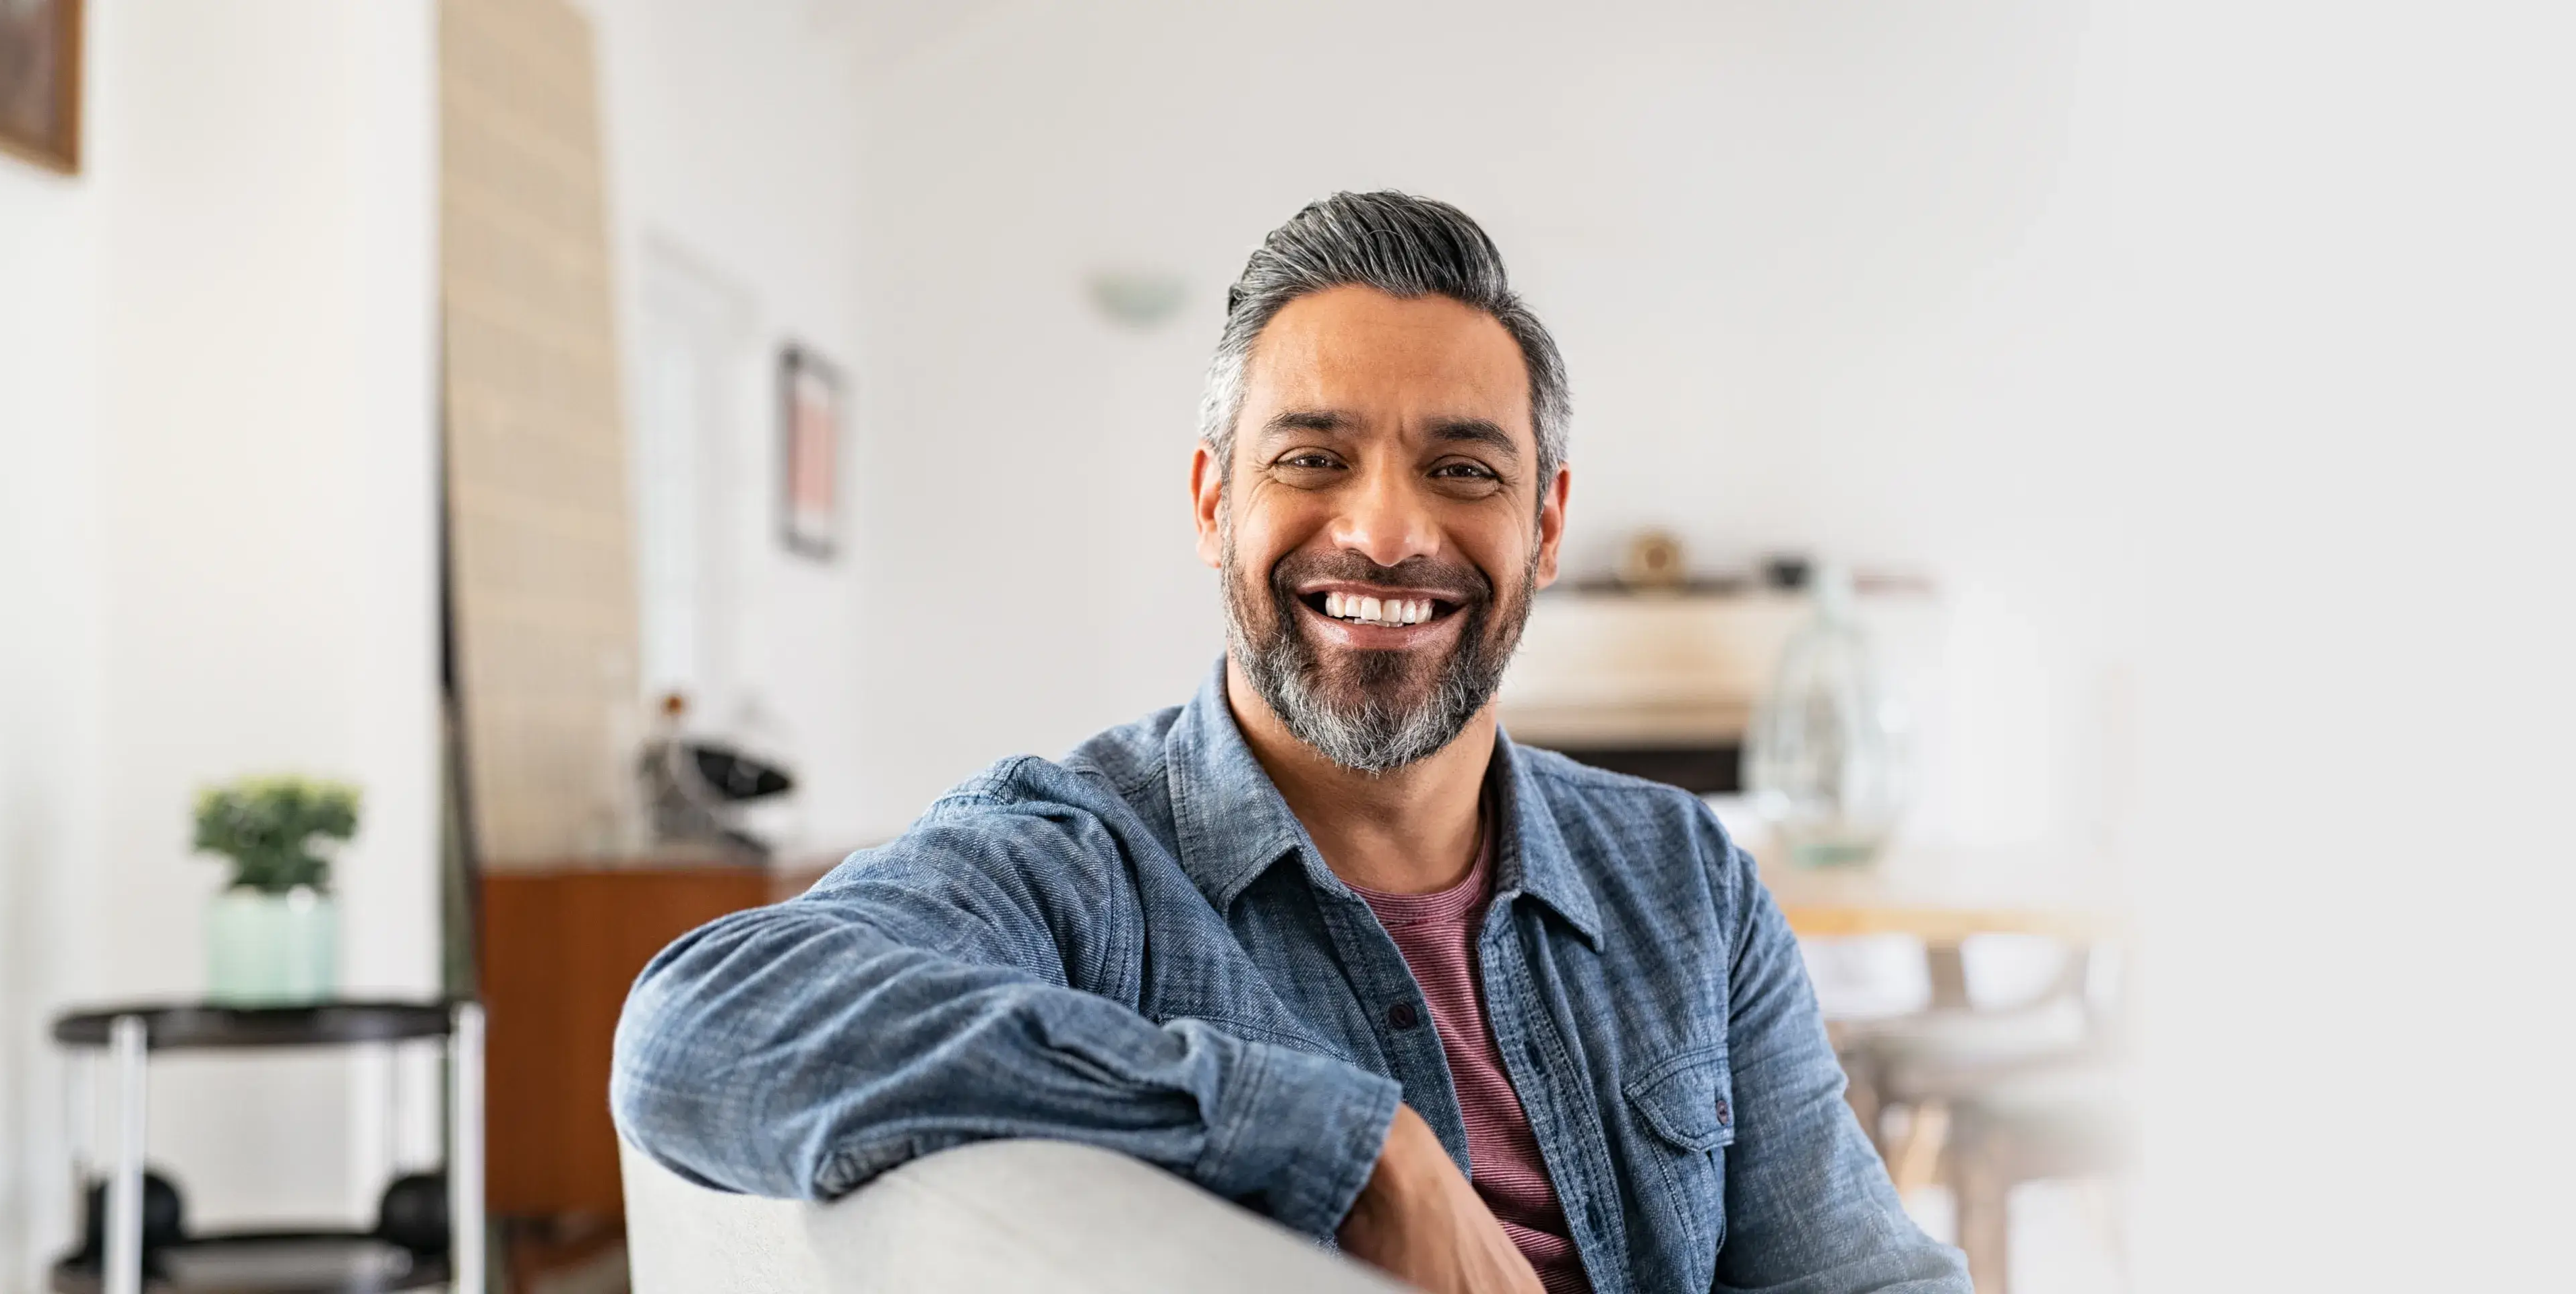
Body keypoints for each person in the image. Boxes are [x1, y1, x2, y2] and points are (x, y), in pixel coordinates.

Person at [612, 191, 1967, 1294]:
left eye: (1464, 469)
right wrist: (1354, 1147)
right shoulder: (1077, 862)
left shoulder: (1684, 876)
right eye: (1313, 459)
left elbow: (1858, 1277)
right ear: (1214, 503)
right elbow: (703, 1030)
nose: (1386, 532)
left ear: (1546, 527)